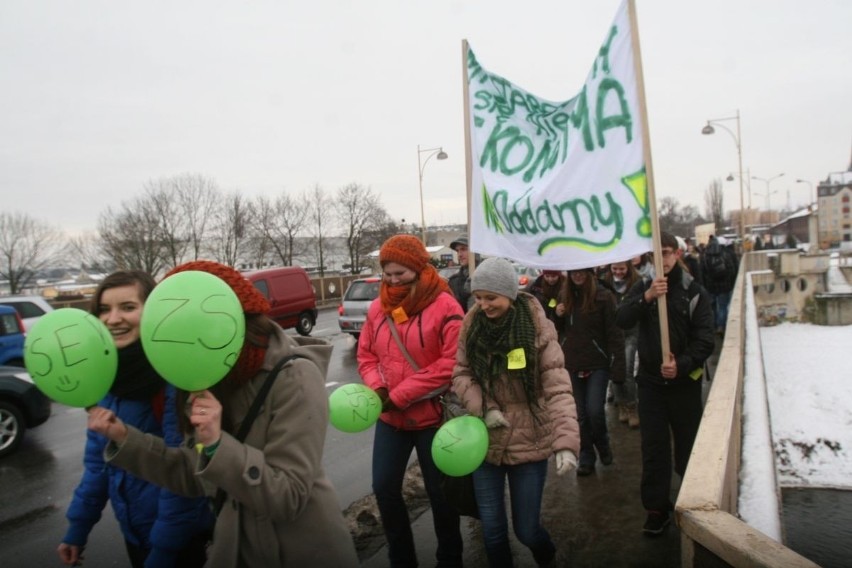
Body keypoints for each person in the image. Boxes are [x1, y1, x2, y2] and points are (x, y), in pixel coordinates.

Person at [87, 261, 359, 568]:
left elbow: (289, 496)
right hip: (235, 547)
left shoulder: (295, 376)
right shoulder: (201, 376)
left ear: (234, 319)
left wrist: (217, 444)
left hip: (301, 551)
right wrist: (126, 439)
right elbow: (192, 477)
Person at [58, 270, 213, 568]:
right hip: (135, 533)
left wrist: (163, 552)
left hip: (179, 541)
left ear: (152, 311)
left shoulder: (173, 380)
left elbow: (182, 479)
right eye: (104, 309)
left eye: (128, 307)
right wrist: (77, 530)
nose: (113, 319)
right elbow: (97, 465)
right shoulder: (104, 378)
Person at [452, 257, 580, 567]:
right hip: (487, 441)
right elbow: (461, 373)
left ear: (509, 294)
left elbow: (558, 387)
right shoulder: (471, 325)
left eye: (491, 298)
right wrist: (485, 409)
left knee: (526, 531)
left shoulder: (538, 327)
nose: (483, 305)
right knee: (493, 532)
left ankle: (546, 556)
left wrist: (565, 442)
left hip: (530, 443)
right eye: (478, 297)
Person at [357, 234, 464, 568]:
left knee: (439, 494)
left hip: (432, 418)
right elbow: (366, 355)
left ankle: (450, 557)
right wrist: (378, 389)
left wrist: (400, 394)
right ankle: (401, 556)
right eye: (387, 274)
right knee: (384, 488)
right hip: (391, 419)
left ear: (419, 269)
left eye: (399, 274)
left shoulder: (446, 305)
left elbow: (451, 363)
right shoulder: (378, 308)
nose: (392, 281)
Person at [615, 232, 715, 536]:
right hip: (650, 384)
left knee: (687, 446)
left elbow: (706, 340)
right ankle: (657, 509)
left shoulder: (694, 292)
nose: (664, 260)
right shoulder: (643, 287)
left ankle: (691, 503)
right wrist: (646, 299)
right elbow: (622, 319)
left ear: (677, 255)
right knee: (654, 449)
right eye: (657, 254)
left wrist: (682, 365)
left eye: (668, 253)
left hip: (684, 385)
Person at [555, 268, 625, 476]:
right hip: (572, 362)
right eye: (574, 272)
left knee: (595, 411)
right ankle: (586, 456)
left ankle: (602, 444)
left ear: (589, 273)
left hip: (597, 364)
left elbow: (615, 334)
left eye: (582, 272)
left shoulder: (604, 297)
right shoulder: (564, 296)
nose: (577, 276)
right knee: (580, 415)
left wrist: (618, 368)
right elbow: (557, 329)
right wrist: (557, 315)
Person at [602, 261, 642, 428]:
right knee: (615, 370)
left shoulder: (637, 282)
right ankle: (621, 405)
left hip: (631, 331)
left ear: (628, 268)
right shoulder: (606, 283)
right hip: (613, 333)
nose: (618, 272)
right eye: (615, 269)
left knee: (627, 370)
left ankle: (632, 406)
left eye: (621, 269)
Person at [701, 235, 737, 335]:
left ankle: (714, 325)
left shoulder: (704, 255)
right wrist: (730, 283)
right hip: (724, 286)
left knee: (712, 307)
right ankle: (721, 326)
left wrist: (705, 285)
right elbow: (732, 269)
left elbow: (702, 272)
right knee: (723, 306)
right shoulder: (725, 253)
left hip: (710, 287)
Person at [447, 233, 480, 313]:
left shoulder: (488, 276)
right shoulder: (453, 282)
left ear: (475, 251)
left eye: (463, 249)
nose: (459, 255)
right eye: (457, 251)